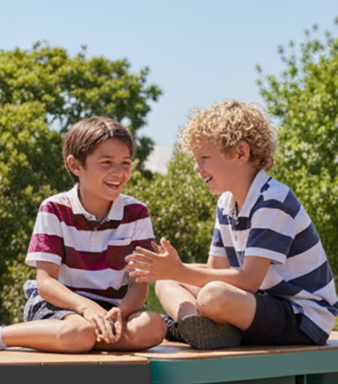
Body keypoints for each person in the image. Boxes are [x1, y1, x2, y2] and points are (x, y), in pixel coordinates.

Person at [0, 116, 167, 354]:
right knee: (79, 332)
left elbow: (138, 287)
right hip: (58, 306)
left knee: (154, 327)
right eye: (106, 162)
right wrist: (85, 309)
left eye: (125, 163)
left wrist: (121, 312)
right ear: (76, 166)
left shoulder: (137, 213)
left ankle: (75, 339)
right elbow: (46, 284)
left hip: (110, 309)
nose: (118, 172)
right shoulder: (54, 208)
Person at [127, 100, 337, 350]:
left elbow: (248, 280)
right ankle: (191, 326)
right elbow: (216, 270)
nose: (197, 168)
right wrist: (172, 271)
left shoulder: (272, 199)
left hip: (303, 317)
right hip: (260, 305)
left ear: (240, 153)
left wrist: (180, 269)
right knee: (166, 282)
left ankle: (193, 326)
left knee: (213, 295)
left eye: (204, 158)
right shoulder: (226, 203)